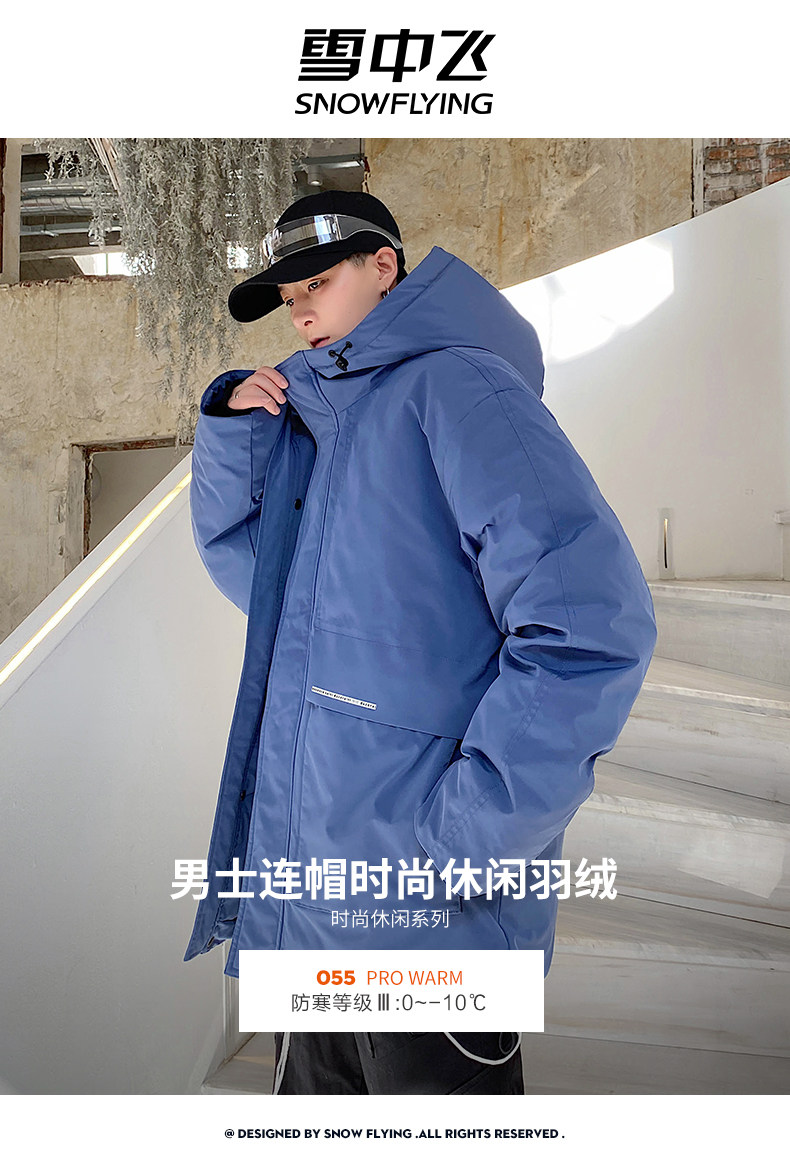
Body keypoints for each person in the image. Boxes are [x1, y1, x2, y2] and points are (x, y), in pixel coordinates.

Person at [184, 190, 657, 1094]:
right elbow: (261, 585)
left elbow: (588, 628)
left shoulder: (459, 389)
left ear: (384, 266)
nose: (302, 312)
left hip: (429, 915)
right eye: (289, 298)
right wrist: (236, 437)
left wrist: (462, 845)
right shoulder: (323, 421)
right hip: (312, 905)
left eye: (319, 283)